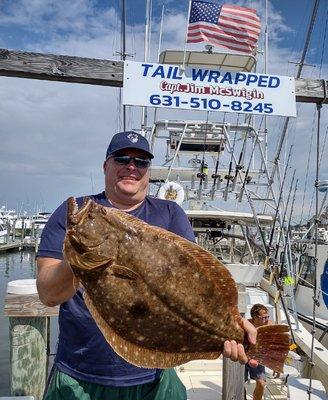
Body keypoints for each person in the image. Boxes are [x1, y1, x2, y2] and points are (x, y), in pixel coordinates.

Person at [37, 131, 257, 400]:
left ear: (148, 171)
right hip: (78, 377)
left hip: (155, 380)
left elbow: (197, 286)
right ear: (106, 165)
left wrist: (233, 326)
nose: (131, 166)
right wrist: (78, 257)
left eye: (141, 162)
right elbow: (48, 294)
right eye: (122, 158)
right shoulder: (71, 212)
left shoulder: (170, 214)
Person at [245, 304, 275, 400]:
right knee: (239, 383)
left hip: (257, 357)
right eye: (264, 317)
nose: (266, 319)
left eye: (267, 317)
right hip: (243, 356)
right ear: (254, 317)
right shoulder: (246, 325)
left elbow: (275, 344)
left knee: (261, 383)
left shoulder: (269, 325)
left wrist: (275, 363)